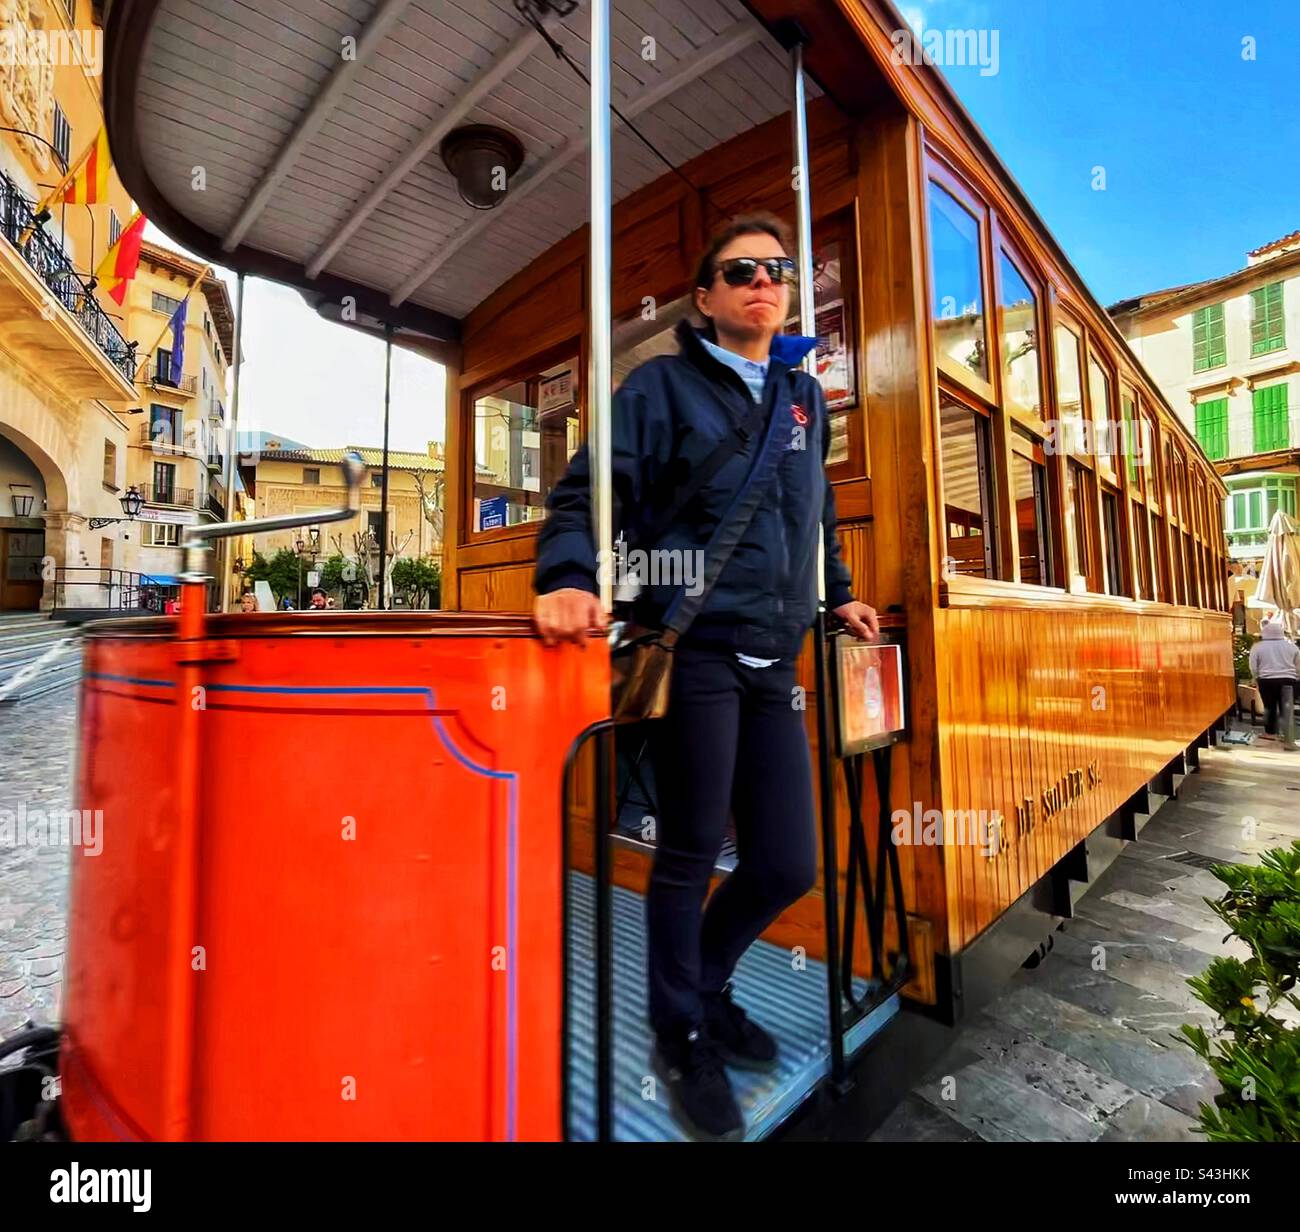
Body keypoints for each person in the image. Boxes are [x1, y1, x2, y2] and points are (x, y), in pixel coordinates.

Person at [532, 212, 879, 1140]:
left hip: (777, 654)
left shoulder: (804, 401)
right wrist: (568, 575)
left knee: (785, 861)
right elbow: (590, 490)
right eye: (739, 272)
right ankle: (681, 1033)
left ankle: (707, 987)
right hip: (693, 651)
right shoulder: (661, 387)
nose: (761, 282)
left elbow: (818, 517)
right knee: (688, 854)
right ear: (706, 298)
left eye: (777, 269)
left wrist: (837, 596)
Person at [1249, 617, 1299, 750]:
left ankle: (1270, 732)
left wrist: (1256, 677)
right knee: (1286, 708)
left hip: (1267, 680)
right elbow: (1298, 665)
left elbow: (1253, 666)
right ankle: (1287, 735)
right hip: (1289, 680)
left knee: (1269, 707)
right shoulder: (1292, 647)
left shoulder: (1257, 647)